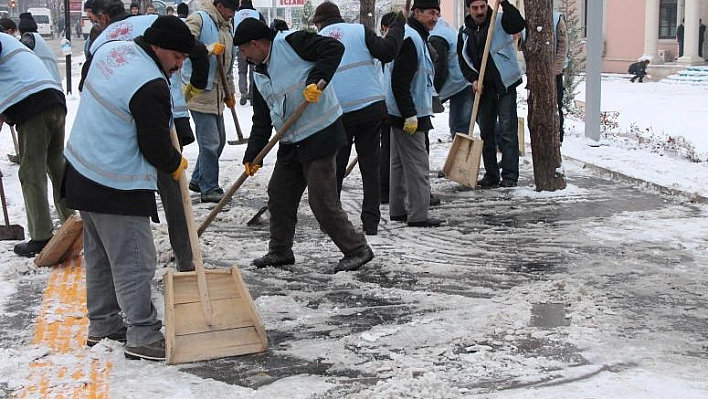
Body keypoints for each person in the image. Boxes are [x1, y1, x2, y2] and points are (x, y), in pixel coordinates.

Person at [64, 16, 195, 361]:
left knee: (101, 256)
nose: (180, 64)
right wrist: (173, 162)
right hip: (114, 181)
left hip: (80, 169)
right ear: (156, 46)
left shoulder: (112, 51)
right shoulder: (150, 83)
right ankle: (143, 334)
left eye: (184, 57)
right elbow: (153, 145)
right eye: (177, 56)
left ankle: (104, 324)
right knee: (134, 261)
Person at [234, 18, 374, 273]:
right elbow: (262, 120)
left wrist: (317, 79)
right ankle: (280, 251)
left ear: (255, 44)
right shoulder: (259, 74)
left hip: (321, 133)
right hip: (291, 141)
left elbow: (334, 49)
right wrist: (252, 154)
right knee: (279, 194)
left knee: (321, 200)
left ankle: (357, 249)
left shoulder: (291, 43)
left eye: (244, 51)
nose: (243, 57)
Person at [83, 0, 210, 272]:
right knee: (172, 185)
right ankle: (185, 257)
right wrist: (196, 85)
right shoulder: (154, 24)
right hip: (158, 108)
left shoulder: (104, 40)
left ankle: (175, 256)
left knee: (163, 173)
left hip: (134, 117)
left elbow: (88, 80)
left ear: (104, 19)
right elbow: (198, 53)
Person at [313, 3, 404, 236]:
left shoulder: (316, 40)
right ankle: (371, 222)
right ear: (340, 18)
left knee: (336, 168)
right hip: (370, 108)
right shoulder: (359, 31)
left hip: (338, 112)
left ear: (319, 23)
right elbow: (387, 51)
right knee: (370, 167)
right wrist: (397, 27)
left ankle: (332, 222)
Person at [0, 32, 74, 257]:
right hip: (54, 99)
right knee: (56, 164)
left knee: (31, 171)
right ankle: (73, 222)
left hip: (31, 105)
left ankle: (41, 236)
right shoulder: (9, 40)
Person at [384, 0, 443, 227]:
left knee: (398, 163)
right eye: (430, 13)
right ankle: (419, 215)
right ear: (416, 13)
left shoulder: (413, 37)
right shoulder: (411, 39)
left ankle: (398, 210)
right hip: (409, 113)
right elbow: (400, 81)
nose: (434, 18)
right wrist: (410, 114)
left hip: (402, 110)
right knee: (418, 165)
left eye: (437, 14)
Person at [458, 0, 525, 188]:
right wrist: (473, 79)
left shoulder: (500, 19)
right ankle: (491, 174)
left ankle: (510, 176)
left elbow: (519, 25)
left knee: (508, 132)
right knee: (487, 133)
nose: (480, 12)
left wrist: (504, 3)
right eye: (475, 8)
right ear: (468, 9)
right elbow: (463, 61)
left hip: (504, 85)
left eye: (482, 7)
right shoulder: (464, 32)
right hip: (483, 89)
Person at [182, 0, 238, 203]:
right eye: (231, 9)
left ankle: (198, 179)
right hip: (197, 88)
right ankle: (209, 188)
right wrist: (206, 49)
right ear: (220, 6)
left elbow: (228, 64)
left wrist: (229, 93)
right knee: (210, 142)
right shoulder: (199, 19)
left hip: (217, 92)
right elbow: (183, 44)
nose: (233, 14)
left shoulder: (226, 26)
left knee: (219, 140)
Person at [429, 17, 472, 139]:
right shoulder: (443, 26)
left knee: (461, 127)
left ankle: (461, 156)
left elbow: (440, 67)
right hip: (463, 78)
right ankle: (503, 143)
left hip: (459, 81)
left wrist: (434, 92)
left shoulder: (436, 36)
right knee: (473, 119)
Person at [233, 0, 266, 106]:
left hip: (240, 49)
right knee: (254, 72)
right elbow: (264, 30)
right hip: (255, 48)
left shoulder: (235, 15)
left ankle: (243, 93)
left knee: (241, 72)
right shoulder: (257, 14)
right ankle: (252, 95)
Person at [379, 12, 396, 205]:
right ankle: (384, 190)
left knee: (388, 149)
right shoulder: (383, 50)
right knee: (388, 150)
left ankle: (385, 190)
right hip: (387, 105)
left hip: (386, 103)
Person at [17, 12, 61, 84]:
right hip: (52, 83)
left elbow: (20, 55)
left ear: (21, 30)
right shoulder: (38, 39)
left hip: (45, 85)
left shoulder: (29, 37)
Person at [552, 11, 568, 142]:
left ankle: (558, 137)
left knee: (556, 105)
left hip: (555, 73)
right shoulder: (530, 15)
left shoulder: (556, 18)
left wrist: (556, 69)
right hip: (536, 74)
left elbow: (563, 45)